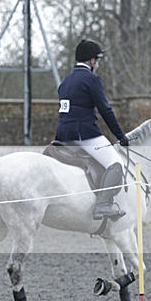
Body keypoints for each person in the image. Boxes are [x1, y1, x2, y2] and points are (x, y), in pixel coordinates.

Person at [56, 39, 130, 219]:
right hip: (84, 134)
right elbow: (106, 110)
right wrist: (120, 136)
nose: (98, 64)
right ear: (91, 61)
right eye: (97, 60)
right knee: (116, 164)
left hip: (62, 134)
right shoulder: (91, 79)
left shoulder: (66, 80)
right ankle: (103, 205)